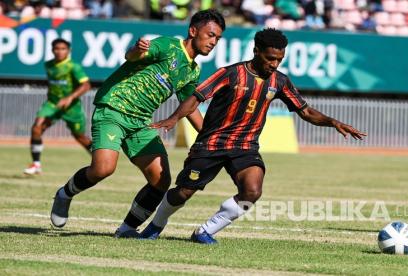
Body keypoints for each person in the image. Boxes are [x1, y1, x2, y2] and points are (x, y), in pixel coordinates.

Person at [139, 28, 367, 244]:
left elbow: (305, 111)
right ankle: (156, 226)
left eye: (279, 59)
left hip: (245, 146)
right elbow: (196, 97)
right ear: (256, 50)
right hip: (211, 144)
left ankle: (205, 231)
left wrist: (333, 122)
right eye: (270, 58)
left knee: (252, 191)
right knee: (184, 192)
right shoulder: (230, 73)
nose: (274, 64)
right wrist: (173, 118)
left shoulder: (280, 81)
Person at [49, 9, 226, 238]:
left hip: (141, 122)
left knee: (161, 180)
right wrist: (135, 49)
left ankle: (126, 229)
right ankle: (65, 194)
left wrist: (209, 136)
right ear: (193, 31)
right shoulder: (168, 45)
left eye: (217, 39)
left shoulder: (192, 71)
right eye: (210, 35)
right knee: (103, 169)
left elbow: (189, 106)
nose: (213, 42)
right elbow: (132, 57)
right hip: (113, 108)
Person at [24, 38, 92, 175]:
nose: (59, 51)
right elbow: (52, 84)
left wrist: (70, 98)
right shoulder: (49, 65)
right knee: (37, 127)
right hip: (53, 104)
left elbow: (86, 85)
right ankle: (36, 165)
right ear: (52, 50)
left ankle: (99, 160)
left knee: (80, 137)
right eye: (57, 49)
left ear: (69, 51)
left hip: (71, 107)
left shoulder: (73, 66)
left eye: (63, 49)